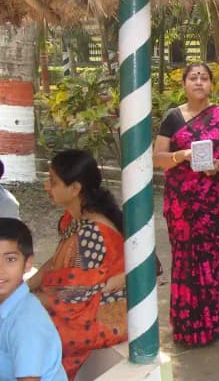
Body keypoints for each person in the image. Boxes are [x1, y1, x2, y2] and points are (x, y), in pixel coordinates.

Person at [152, 62, 219, 346]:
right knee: (187, 261)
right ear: (184, 84)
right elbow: (158, 159)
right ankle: (190, 325)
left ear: (211, 84)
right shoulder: (172, 118)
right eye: (193, 77)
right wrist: (182, 155)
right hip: (183, 206)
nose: (199, 82)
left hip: (217, 205)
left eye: (204, 78)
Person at [28, 150, 127, 380]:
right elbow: (55, 264)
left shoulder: (92, 232)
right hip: (80, 304)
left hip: (98, 316)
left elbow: (74, 297)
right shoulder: (75, 219)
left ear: (75, 188)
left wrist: (29, 298)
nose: (46, 186)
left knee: (27, 332)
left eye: (53, 181)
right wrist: (24, 288)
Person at [0, 217, 67, 381]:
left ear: (28, 263)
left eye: (10, 259)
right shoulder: (7, 306)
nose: (0, 269)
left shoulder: (26, 322)